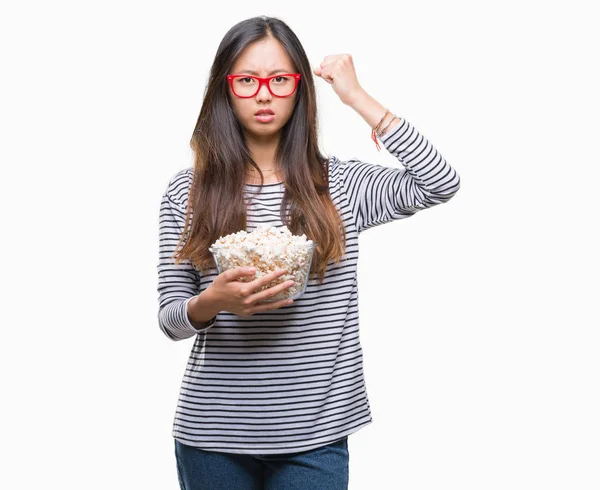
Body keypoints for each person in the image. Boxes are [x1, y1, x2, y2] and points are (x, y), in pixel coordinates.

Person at [157, 15, 461, 490]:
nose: (263, 93)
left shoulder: (341, 186)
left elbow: (440, 182)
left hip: (316, 434)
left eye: (279, 80)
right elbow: (170, 318)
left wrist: (357, 97)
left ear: (300, 88)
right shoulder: (188, 193)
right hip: (212, 434)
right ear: (225, 88)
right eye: (246, 80)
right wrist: (212, 303)